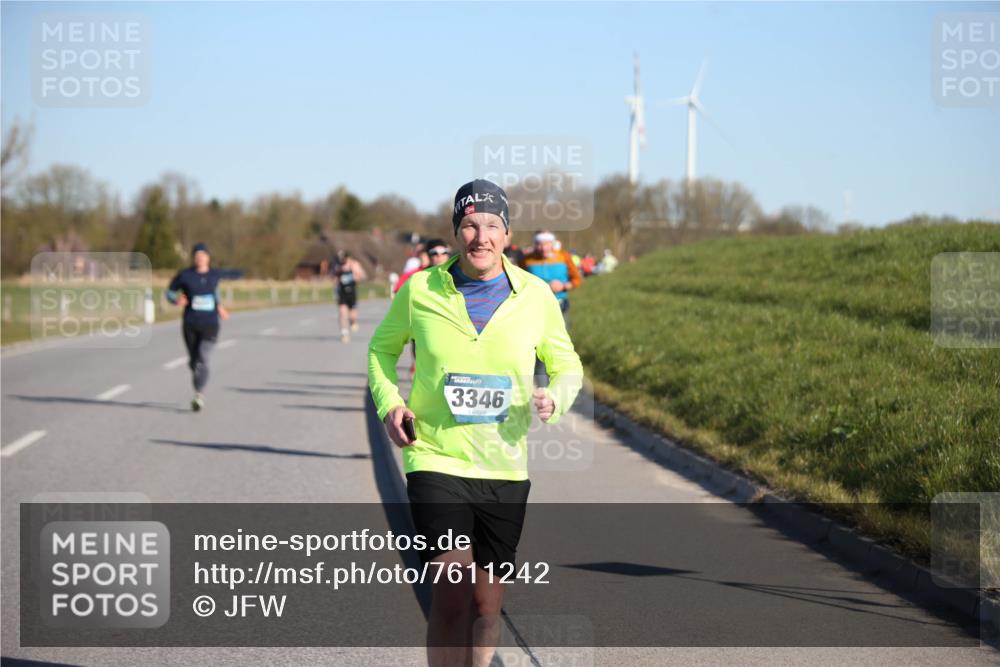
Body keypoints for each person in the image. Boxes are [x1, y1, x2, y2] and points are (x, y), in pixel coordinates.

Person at [368, 179, 582, 667]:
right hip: (435, 457)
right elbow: (381, 350)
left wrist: (557, 397)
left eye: (491, 225)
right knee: (451, 591)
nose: (479, 236)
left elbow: (568, 365)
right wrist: (389, 405)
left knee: (487, 606)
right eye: (469, 225)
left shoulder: (536, 296)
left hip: (503, 467)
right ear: (456, 232)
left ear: (507, 235)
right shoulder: (421, 289)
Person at [166, 243, 230, 411]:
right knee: (194, 362)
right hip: (190, 324)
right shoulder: (185, 275)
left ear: (208, 257)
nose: (200, 257)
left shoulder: (214, 275)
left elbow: (213, 292)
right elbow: (170, 292)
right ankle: (198, 384)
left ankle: (199, 395)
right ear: (194, 258)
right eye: (197, 255)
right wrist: (176, 300)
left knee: (203, 358)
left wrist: (220, 306)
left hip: (210, 324)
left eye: (203, 254)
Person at [333, 250, 367, 343]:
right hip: (342, 292)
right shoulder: (337, 266)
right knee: (342, 313)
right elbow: (334, 278)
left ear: (348, 257)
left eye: (343, 258)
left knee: (352, 316)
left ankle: (353, 322)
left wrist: (357, 277)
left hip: (351, 292)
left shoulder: (354, 264)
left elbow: (363, 276)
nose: (342, 260)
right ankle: (344, 333)